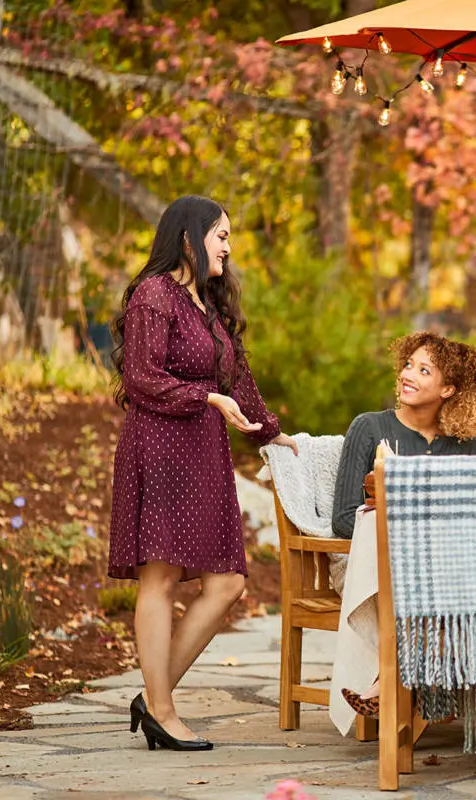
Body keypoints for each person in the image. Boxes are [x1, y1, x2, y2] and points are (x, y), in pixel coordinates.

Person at [107, 195, 297, 752]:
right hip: (160, 448)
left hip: (203, 453)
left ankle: (152, 695)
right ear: (189, 237)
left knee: (228, 584)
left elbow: (238, 377)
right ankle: (163, 710)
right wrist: (207, 398)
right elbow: (142, 379)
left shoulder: (207, 303)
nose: (228, 246)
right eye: (220, 234)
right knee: (160, 579)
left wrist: (272, 432)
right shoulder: (153, 296)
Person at [334, 330, 476, 717]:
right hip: (370, 565)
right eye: (409, 365)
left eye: (424, 370)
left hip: (449, 569)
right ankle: (469, 704)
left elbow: (474, 523)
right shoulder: (370, 428)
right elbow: (343, 519)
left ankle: (389, 682)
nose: (408, 374)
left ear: (448, 389)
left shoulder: (467, 446)